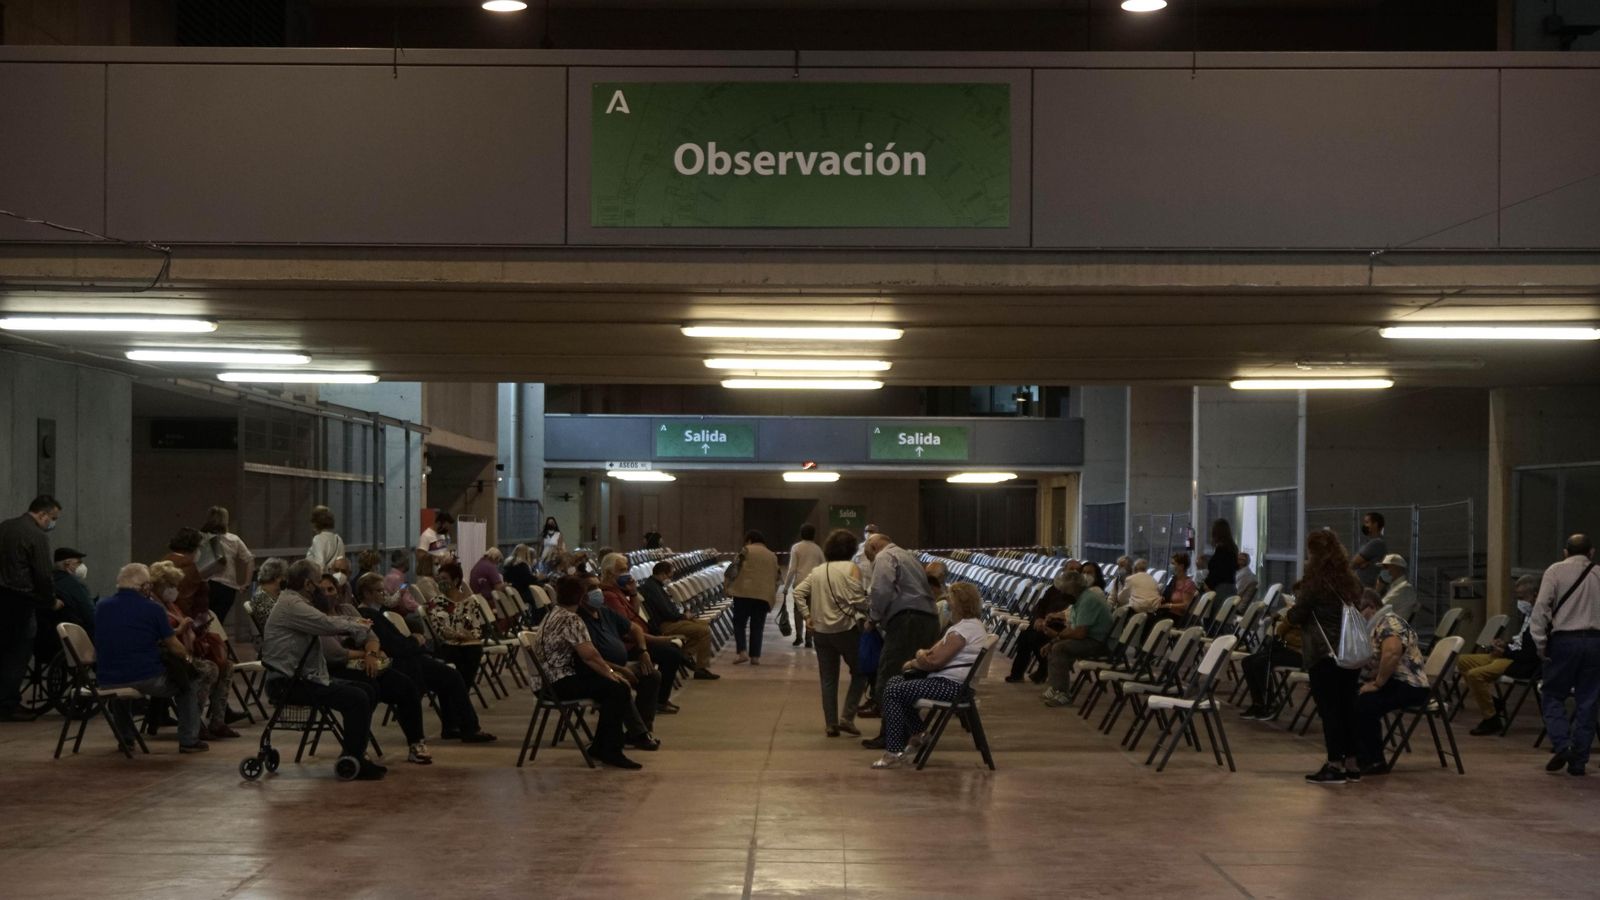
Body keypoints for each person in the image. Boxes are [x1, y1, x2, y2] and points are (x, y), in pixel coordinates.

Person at [261, 559, 386, 780]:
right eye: (319, 581)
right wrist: (360, 626)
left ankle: (353, 753)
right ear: (309, 584)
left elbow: (328, 620)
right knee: (357, 697)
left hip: (302, 678)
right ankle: (354, 758)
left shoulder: (296, 602)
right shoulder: (293, 605)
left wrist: (357, 624)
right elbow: (326, 625)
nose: (322, 586)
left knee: (368, 689)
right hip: (287, 683)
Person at [353, 573, 496, 744]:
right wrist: (416, 641)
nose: (384, 595)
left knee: (451, 674)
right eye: (379, 591)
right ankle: (469, 728)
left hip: (407, 658)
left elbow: (397, 643)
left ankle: (453, 726)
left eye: (384, 590)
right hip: (402, 663)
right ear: (367, 593)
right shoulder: (369, 615)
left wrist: (413, 641)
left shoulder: (377, 612)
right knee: (453, 677)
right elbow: (395, 647)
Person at [311, 573, 432, 765]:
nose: (327, 594)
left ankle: (416, 744)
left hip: (367, 663)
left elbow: (371, 636)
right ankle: (357, 748)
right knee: (366, 691)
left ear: (338, 590)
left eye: (331, 589)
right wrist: (366, 655)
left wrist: (372, 653)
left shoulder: (348, 609)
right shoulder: (314, 617)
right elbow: (334, 653)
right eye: (322, 590)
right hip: (337, 669)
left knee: (406, 687)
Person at [871, 582, 990, 769]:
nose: (947, 604)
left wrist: (915, 659)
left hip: (952, 687)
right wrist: (923, 655)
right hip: (955, 685)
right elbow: (935, 653)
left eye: (950, 600)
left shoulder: (962, 631)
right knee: (895, 682)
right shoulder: (971, 626)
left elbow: (935, 661)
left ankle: (894, 751)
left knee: (894, 691)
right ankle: (919, 733)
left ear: (958, 604)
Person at [528, 575, 641, 769]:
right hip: (557, 685)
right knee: (618, 689)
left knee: (612, 688)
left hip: (545, 682)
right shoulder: (572, 619)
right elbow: (590, 656)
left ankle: (600, 746)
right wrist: (612, 673)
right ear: (581, 598)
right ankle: (611, 751)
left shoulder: (553, 613)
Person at [94, 563, 208, 752]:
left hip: (107, 678)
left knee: (121, 691)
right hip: (146, 677)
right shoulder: (153, 609)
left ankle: (126, 738)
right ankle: (189, 740)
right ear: (145, 586)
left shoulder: (101, 607)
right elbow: (174, 646)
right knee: (188, 683)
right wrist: (189, 659)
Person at [1287, 530, 1366, 784]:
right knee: (1348, 707)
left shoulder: (1315, 583)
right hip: (1349, 652)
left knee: (1329, 710)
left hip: (1324, 653)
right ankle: (1353, 763)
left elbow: (1298, 614)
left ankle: (1334, 764)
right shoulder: (1351, 581)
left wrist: (1285, 617)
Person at [861, 533, 940, 751]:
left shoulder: (885, 557)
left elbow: (880, 590)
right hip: (928, 620)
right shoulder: (908, 556)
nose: (871, 561)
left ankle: (892, 735)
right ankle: (909, 731)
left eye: (870, 556)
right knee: (909, 677)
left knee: (888, 677)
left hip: (907, 621)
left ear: (875, 546)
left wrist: (873, 618)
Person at [1530, 534, 1600, 777]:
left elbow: (1540, 609)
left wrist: (1540, 644)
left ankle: (1562, 745)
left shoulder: (1555, 571)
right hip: (1595, 642)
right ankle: (1579, 761)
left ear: (1565, 552)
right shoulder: (1598, 572)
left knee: (1552, 694)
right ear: (1591, 552)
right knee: (1588, 702)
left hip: (1564, 641)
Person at [793, 528, 872, 737]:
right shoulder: (852, 568)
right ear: (852, 549)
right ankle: (847, 717)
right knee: (861, 672)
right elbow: (857, 599)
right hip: (846, 630)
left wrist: (806, 615)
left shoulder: (819, 571)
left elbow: (798, 592)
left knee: (828, 679)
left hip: (820, 632)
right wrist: (869, 608)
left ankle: (830, 723)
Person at [149, 560, 237, 740]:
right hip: (169, 656)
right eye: (172, 585)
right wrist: (182, 630)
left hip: (184, 651)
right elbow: (159, 636)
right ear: (159, 585)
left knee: (227, 666)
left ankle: (217, 721)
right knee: (208, 669)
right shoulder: (152, 607)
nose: (175, 589)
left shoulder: (171, 605)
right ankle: (194, 722)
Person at [1351, 592, 1430, 776]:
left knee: (1366, 703)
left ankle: (1374, 761)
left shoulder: (1389, 622)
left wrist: (1377, 684)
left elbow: (1392, 653)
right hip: (1396, 682)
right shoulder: (1377, 625)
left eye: (1358, 610)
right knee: (1350, 697)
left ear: (1371, 606)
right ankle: (1358, 755)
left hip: (1410, 685)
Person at [598, 558, 687, 716]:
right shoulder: (609, 595)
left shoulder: (619, 590)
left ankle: (659, 700)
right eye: (622, 569)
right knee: (671, 654)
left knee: (672, 652)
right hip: (627, 644)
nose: (626, 573)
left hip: (637, 639)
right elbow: (626, 630)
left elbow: (633, 613)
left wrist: (633, 594)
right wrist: (659, 640)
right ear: (610, 573)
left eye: (627, 568)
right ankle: (658, 700)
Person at [1460, 575, 1542, 736]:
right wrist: (1505, 643)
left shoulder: (1541, 617)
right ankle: (1493, 702)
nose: (1519, 602)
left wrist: (1505, 651)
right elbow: (1521, 640)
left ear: (1535, 595)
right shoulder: (1529, 614)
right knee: (1464, 661)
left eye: (1521, 598)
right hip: (1510, 654)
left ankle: (1491, 718)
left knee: (1475, 675)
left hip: (1519, 663)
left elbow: (1529, 653)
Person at [1041, 570, 1116, 706]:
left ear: (1073, 589)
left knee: (1060, 648)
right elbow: (1072, 628)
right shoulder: (1079, 600)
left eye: (1064, 590)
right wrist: (1053, 641)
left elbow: (1080, 633)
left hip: (1101, 644)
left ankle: (1063, 694)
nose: (1062, 594)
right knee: (1054, 646)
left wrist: (1057, 635)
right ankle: (1055, 687)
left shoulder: (1088, 600)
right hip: (1092, 639)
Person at [638, 561, 718, 680]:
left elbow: (667, 609)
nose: (670, 579)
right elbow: (666, 612)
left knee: (704, 625)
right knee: (704, 631)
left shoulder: (654, 585)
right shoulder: (652, 588)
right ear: (663, 574)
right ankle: (700, 668)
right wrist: (682, 616)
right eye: (670, 576)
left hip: (670, 620)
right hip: (665, 625)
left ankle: (682, 656)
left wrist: (682, 615)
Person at [1005, 567, 1076, 683]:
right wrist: (1038, 618)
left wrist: (1048, 620)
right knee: (1025, 635)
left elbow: (1068, 613)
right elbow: (1040, 605)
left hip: (1060, 625)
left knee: (1035, 637)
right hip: (1045, 621)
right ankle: (1017, 673)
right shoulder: (1054, 588)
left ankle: (1043, 670)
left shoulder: (1074, 592)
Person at [425, 562, 485, 692]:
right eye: (439, 579)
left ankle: (462, 693)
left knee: (474, 649)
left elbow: (476, 628)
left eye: (444, 579)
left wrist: (470, 636)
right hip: (447, 644)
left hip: (467, 643)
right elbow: (438, 629)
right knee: (461, 653)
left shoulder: (470, 601)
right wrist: (455, 635)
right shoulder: (435, 603)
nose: (441, 582)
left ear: (456, 580)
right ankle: (462, 695)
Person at [725, 530, 780, 665]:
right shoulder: (772, 555)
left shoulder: (745, 551)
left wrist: (727, 586)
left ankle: (742, 652)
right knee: (757, 626)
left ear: (749, 540)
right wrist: (771, 592)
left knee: (739, 623)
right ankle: (755, 657)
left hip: (743, 592)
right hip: (763, 595)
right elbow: (778, 578)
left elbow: (734, 569)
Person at [1238, 611, 1304, 720]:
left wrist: (1286, 620)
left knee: (1259, 663)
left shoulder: (1308, 612)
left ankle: (1270, 703)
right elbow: (1282, 628)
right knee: (1247, 661)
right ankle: (1258, 703)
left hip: (1300, 653)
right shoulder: (1297, 610)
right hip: (1286, 648)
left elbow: (1284, 626)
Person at [198, 506, 253, 629]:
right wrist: (246, 583)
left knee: (203, 621)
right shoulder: (233, 539)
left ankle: (205, 645)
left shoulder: (201, 538)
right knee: (218, 622)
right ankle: (218, 643)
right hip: (228, 587)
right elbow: (249, 559)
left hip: (206, 584)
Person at [785, 524, 825, 648]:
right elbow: (823, 566)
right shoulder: (818, 549)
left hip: (799, 583)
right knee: (811, 611)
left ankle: (798, 637)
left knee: (798, 611)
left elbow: (792, 569)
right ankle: (809, 638)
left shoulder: (796, 547)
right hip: (814, 583)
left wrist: (786, 587)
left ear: (801, 533)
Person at [51, 546, 97, 635]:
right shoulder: (75, 585)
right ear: (67, 563)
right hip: (77, 635)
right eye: (78, 562)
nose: (82, 566)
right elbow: (90, 615)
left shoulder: (47, 581)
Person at [1350, 511, 1388, 591]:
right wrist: (1360, 564)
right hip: (1361, 588)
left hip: (1368, 589)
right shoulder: (1367, 542)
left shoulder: (1377, 543)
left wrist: (1359, 564)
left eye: (1367, 522)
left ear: (1375, 524)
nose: (1364, 525)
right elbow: (1354, 563)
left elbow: (1354, 563)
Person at [249, 557, 288, 635]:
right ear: (277, 578)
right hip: (277, 638)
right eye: (283, 576)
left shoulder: (268, 593)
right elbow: (281, 621)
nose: (285, 579)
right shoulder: (261, 598)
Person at [1156, 553, 1198, 622]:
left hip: (1177, 617)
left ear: (1181, 566)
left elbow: (1186, 605)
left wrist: (1169, 605)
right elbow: (1166, 596)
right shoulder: (1173, 580)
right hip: (1168, 613)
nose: (1170, 566)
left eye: (1173, 563)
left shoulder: (1188, 584)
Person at [1377, 553, 1418, 622]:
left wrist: (1378, 589)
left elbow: (1378, 609)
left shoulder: (1404, 588)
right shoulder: (1394, 587)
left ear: (1397, 568)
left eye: (1386, 567)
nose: (1383, 571)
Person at [1206, 519, 1241, 599]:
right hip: (1231, 589)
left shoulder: (1221, 551)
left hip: (1220, 591)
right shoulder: (1232, 549)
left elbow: (1216, 573)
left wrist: (1204, 585)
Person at [416, 510, 455, 579]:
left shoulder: (441, 535)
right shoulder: (426, 535)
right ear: (439, 523)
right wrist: (436, 558)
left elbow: (441, 551)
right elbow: (420, 556)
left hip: (440, 574)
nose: (447, 530)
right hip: (428, 576)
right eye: (446, 527)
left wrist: (447, 557)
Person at [306, 505, 345, 571]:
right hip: (335, 579)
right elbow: (342, 564)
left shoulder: (318, 539)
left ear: (316, 523)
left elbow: (319, 565)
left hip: (323, 579)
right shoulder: (339, 539)